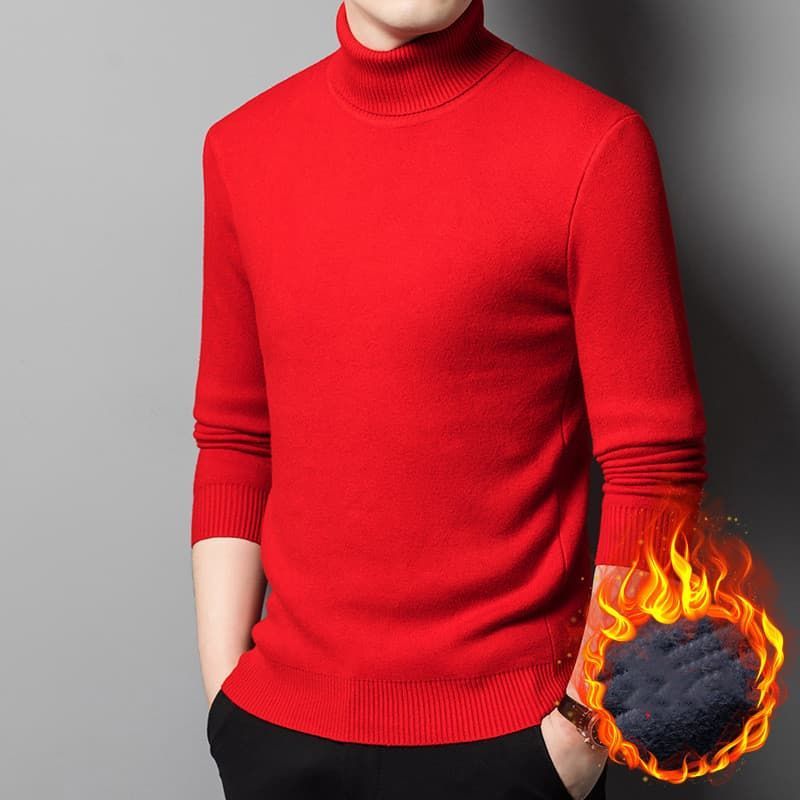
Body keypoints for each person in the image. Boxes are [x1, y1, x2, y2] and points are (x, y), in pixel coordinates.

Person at [190, 1, 708, 798]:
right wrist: (227, 696)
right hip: (279, 738)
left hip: (516, 745)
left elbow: (655, 466)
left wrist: (578, 733)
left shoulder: (594, 143)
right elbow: (235, 437)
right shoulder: (242, 147)